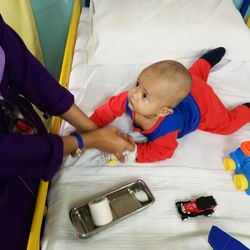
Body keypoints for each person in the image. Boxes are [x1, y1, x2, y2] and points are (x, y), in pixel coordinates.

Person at [0, 15, 134, 250]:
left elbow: (27, 71)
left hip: (21, 138)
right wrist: (85, 140)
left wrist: (94, 132)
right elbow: (6, 153)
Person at [90, 47, 250, 163]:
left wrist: (134, 151)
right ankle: (205, 62)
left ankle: (247, 110)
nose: (134, 93)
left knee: (227, 125)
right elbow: (108, 109)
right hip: (191, 84)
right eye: (138, 83)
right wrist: (92, 127)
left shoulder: (167, 129)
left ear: (163, 112)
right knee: (188, 78)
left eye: (145, 95)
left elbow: (163, 152)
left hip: (202, 104)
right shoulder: (129, 99)